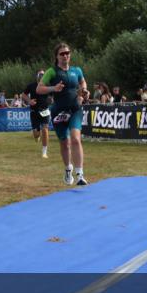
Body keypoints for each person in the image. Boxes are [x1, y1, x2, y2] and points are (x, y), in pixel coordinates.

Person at [37, 42, 89, 186]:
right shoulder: (52, 72)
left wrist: (84, 91)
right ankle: (68, 169)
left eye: (67, 53)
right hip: (58, 111)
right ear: (57, 56)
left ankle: (80, 175)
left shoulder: (76, 70)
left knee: (75, 139)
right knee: (65, 143)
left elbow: (83, 82)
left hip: (75, 109)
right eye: (62, 53)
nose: (65, 55)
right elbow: (39, 89)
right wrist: (54, 88)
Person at [23, 70, 51, 159]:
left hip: (45, 111)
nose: (41, 76)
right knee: (36, 134)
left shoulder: (48, 85)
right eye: (40, 75)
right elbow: (23, 95)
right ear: (37, 76)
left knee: (45, 129)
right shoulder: (31, 86)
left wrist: (52, 99)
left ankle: (44, 152)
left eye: (43, 74)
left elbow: (54, 95)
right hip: (34, 112)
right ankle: (36, 136)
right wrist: (29, 101)